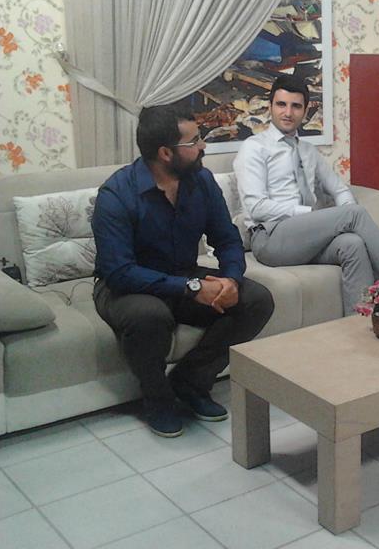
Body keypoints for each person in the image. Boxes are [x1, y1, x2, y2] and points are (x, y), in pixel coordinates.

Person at [92, 106, 275, 438]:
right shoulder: (116, 193)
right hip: (126, 286)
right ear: (165, 153)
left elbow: (226, 239)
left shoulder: (201, 181)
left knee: (256, 300)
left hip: (182, 275)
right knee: (149, 316)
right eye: (195, 141)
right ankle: (157, 399)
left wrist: (231, 280)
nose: (203, 146)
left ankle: (190, 382)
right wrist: (191, 287)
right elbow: (119, 271)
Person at [234, 74, 379, 313]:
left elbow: (339, 189)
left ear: (305, 111)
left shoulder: (308, 150)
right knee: (354, 214)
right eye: (281, 104)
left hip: (303, 237)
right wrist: (307, 213)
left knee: (352, 244)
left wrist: (342, 218)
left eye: (296, 106)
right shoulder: (254, 148)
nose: (288, 113)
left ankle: (359, 321)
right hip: (269, 237)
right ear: (270, 107)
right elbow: (256, 208)